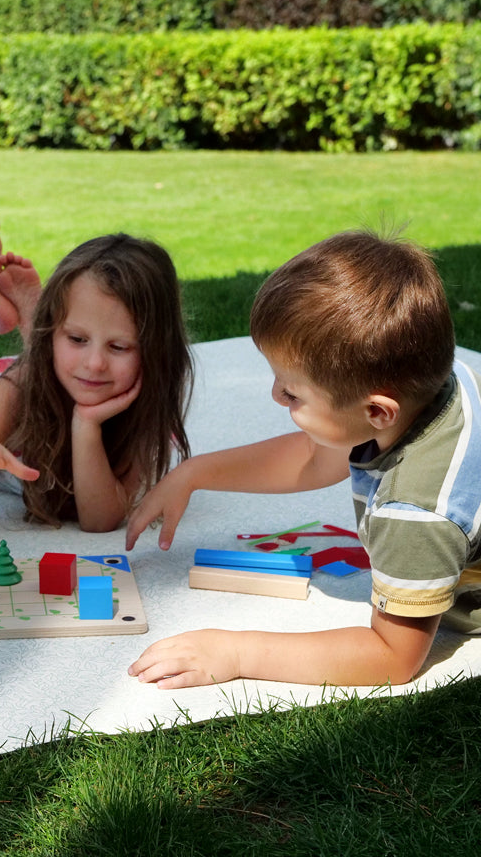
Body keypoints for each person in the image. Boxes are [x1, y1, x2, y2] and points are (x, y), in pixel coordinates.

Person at [125, 229, 481, 689]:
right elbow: (316, 457)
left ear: (376, 411)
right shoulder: (432, 376)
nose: (275, 396)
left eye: (291, 392)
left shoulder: (414, 511)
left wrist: (235, 652)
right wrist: (193, 474)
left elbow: (392, 657)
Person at [0, 232, 194, 533]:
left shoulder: (148, 403)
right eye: (77, 338)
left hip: (53, 371)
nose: (95, 364)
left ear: (157, 351)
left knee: (60, 365)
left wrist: (86, 426)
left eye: (119, 347)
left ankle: (39, 327)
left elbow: (99, 520)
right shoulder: (15, 390)